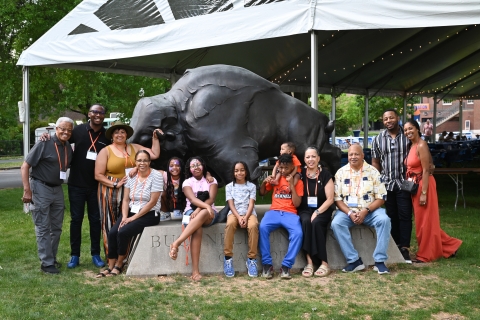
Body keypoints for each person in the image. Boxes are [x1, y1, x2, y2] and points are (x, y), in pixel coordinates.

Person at [95, 121, 161, 258]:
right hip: (111, 190)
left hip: (132, 190)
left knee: (127, 223)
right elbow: (98, 175)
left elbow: (153, 155)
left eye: (123, 132)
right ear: (112, 135)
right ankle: (111, 256)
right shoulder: (105, 151)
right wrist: (114, 184)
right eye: (117, 132)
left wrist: (155, 139)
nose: (120, 134)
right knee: (111, 224)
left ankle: (126, 256)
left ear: (127, 134)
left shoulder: (134, 147)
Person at [96, 150, 163, 277]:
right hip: (131, 210)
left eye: (145, 160)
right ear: (135, 162)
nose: (142, 163)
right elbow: (126, 199)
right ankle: (110, 266)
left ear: (149, 162)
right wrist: (125, 217)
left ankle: (119, 264)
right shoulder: (131, 175)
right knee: (113, 232)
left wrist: (132, 219)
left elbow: (153, 202)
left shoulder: (156, 176)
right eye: (139, 160)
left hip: (150, 213)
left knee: (123, 232)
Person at [21, 117, 74, 274]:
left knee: (56, 227)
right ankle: (46, 263)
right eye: (63, 129)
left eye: (69, 130)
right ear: (56, 129)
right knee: (43, 226)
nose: (66, 132)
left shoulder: (68, 148)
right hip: (40, 187)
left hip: (57, 189)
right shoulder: (44, 143)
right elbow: (25, 166)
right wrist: (27, 190)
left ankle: (51, 258)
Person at [403, 120, 462, 263]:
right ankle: (451, 245)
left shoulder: (421, 145)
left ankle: (426, 254)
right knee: (425, 221)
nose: (408, 132)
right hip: (415, 185)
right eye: (405, 130)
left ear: (417, 129)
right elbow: (430, 164)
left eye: (410, 128)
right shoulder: (412, 145)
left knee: (425, 223)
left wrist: (423, 193)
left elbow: (426, 170)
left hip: (424, 185)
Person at [330, 144, 391, 274]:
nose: (353, 157)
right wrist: (350, 212)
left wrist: (365, 211)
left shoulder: (373, 172)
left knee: (384, 220)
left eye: (356, 154)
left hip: (370, 211)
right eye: (350, 154)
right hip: (348, 212)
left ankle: (379, 261)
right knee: (336, 223)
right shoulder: (341, 173)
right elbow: (337, 199)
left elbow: (381, 197)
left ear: (363, 155)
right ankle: (354, 261)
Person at [66, 104, 109, 269]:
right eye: (94, 112)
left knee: (95, 220)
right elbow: (61, 139)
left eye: (101, 112)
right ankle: (74, 255)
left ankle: (95, 254)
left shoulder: (107, 135)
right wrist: (46, 137)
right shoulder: (77, 131)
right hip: (76, 184)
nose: (98, 115)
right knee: (76, 220)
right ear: (89, 114)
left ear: (103, 116)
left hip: (96, 185)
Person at [371, 109, 413, 263]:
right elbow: (375, 162)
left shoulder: (408, 135)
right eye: (386, 119)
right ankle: (394, 246)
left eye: (391, 118)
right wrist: (377, 180)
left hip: (404, 183)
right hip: (386, 184)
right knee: (391, 216)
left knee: (405, 215)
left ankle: (405, 248)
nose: (389, 121)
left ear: (398, 118)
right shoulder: (378, 139)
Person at [168, 156, 219, 281]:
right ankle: (195, 271)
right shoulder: (187, 182)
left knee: (202, 214)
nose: (196, 168)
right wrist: (204, 206)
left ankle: (177, 243)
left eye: (198, 164)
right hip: (190, 212)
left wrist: (203, 208)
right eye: (192, 166)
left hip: (209, 213)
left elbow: (211, 199)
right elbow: (192, 199)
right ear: (189, 169)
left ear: (203, 166)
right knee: (197, 229)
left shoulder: (211, 181)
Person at [258, 153, 304, 280]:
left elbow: (297, 203)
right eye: (281, 168)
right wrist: (264, 183)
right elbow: (262, 193)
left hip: (290, 213)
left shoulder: (297, 181)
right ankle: (267, 264)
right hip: (274, 211)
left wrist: (292, 186)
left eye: (286, 168)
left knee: (298, 233)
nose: (283, 171)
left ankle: (286, 266)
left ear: (292, 167)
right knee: (262, 227)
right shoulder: (275, 179)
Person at [298, 147, 334, 278]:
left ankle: (324, 263)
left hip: (322, 208)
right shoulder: (300, 174)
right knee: (306, 222)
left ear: (318, 158)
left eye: (313, 156)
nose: (310, 159)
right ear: (304, 159)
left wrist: (317, 212)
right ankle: (309, 262)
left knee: (317, 223)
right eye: (307, 157)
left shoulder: (325, 175)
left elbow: (330, 199)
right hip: (305, 209)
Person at [223, 161, 259, 278]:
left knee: (253, 226)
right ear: (233, 173)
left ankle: (252, 259)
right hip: (234, 213)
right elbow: (231, 204)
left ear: (246, 171)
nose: (239, 172)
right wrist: (239, 217)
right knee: (230, 224)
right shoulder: (229, 187)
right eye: (236, 170)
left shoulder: (251, 186)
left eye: (242, 170)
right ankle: (228, 258)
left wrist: (246, 217)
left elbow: (251, 204)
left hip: (249, 213)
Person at [159, 157, 187, 221]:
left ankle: (186, 212)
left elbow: (203, 172)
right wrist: (136, 168)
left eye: (177, 165)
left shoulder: (186, 176)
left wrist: (208, 175)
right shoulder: (165, 175)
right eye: (171, 166)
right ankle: (166, 214)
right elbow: (148, 170)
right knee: (161, 193)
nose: (174, 167)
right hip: (170, 203)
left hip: (183, 203)